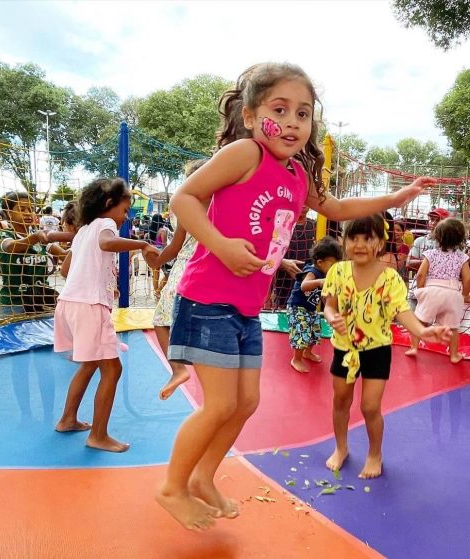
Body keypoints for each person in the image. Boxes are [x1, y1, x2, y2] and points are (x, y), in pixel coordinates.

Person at [157, 62, 436, 531]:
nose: (292, 123)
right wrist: (221, 245)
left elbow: (338, 208)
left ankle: (203, 476)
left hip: (245, 308)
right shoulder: (246, 154)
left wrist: (394, 199)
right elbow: (184, 198)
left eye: (302, 114)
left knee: (245, 403)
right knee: (221, 404)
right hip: (207, 298)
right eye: (279, 109)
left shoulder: (296, 177)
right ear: (249, 115)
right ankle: (172, 486)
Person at [322, 215, 451, 479]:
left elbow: (402, 312)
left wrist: (424, 331)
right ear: (345, 242)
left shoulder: (390, 278)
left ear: (380, 242)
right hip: (344, 348)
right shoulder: (338, 271)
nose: (359, 244)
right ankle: (341, 447)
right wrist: (331, 316)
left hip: (377, 350)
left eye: (367, 238)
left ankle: (374, 454)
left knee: (370, 406)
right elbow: (329, 304)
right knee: (341, 401)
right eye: (353, 238)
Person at [54, 178, 157, 452]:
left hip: (69, 303)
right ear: (109, 204)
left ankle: (67, 419)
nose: (125, 218)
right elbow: (108, 243)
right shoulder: (104, 225)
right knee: (113, 369)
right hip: (90, 306)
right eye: (124, 211)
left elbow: (66, 271)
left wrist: (102, 277)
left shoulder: (84, 230)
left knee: (89, 364)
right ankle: (98, 435)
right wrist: (141, 244)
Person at [146, 159, 208, 400]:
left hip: (187, 267)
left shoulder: (189, 204)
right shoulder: (221, 205)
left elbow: (175, 246)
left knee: (161, 321)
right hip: (211, 270)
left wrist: (156, 262)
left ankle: (178, 369)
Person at [406, 217, 470, 364]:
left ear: (437, 236)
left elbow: (421, 274)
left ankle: (413, 348)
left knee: (419, 322)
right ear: (460, 238)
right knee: (453, 327)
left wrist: (421, 289)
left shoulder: (431, 254)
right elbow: (467, 280)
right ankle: (454, 355)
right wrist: (464, 295)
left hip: (433, 291)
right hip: (453, 293)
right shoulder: (462, 257)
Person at [0, 192, 66, 317]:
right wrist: (35, 237)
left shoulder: (39, 235)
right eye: (22, 209)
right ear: (8, 213)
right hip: (13, 305)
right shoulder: (4, 235)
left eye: (31, 209)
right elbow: (10, 247)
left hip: (41, 301)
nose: (28, 213)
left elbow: (63, 254)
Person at [287, 235, 342, 373]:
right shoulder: (312, 271)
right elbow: (304, 286)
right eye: (332, 265)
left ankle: (307, 352)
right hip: (298, 308)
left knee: (314, 332)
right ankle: (296, 359)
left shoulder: (326, 275)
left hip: (310, 309)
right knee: (302, 331)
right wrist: (319, 282)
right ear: (320, 262)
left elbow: (324, 296)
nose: (333, 268)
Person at [271, 205, 317, 309]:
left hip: (311, 289)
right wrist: (282, 262)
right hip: (284, 287)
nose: (304, 204)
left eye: (307, 200)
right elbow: (263, 255)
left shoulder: (317, 227)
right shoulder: (279, 226)